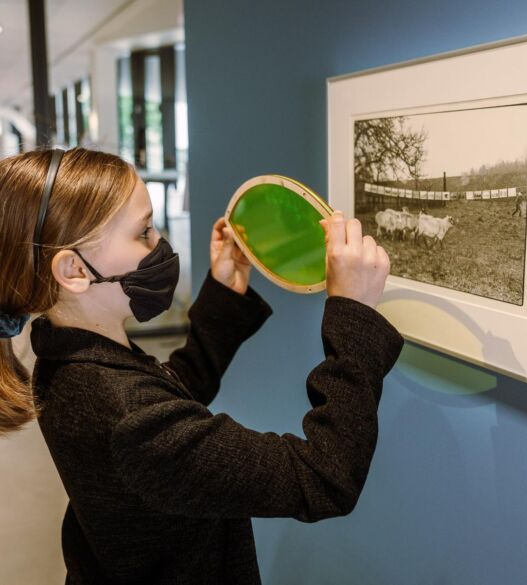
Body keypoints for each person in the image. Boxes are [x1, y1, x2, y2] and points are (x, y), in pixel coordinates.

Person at [0, 147, 404, 584]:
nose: (162, 245)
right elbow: (324, 476)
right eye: (144, 233)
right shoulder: (123, 414)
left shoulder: (68, 359)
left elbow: (168, 395)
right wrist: (352, 315)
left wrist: (224, 295)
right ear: (74, 270)